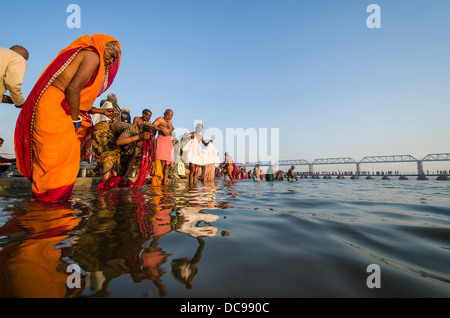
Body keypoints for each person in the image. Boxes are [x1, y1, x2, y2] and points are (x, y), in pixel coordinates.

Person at [15, 34, 121, 203]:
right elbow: (73, 90)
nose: (112, 61)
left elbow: (75, 96)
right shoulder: (93, 56)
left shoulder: (87, 55)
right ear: (102, 47)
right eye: (111, 55)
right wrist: (74, 120)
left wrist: (94, 111)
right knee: (63, 158)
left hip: (53, 103)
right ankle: (51, 205)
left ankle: (44, 201)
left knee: (53, 157)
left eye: (115, 58)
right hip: (54, 106)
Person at [92, 120, 154, 188]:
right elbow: (119, 141)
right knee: (109, 157)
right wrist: (139, 136)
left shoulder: (140, 140)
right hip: (104, 131)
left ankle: (113, 184)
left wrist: (126, 175)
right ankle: (105, 187)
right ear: (142, 130)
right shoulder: (132, 129)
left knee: (118, 161)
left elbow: (133, 156)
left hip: (115, 138)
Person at [152, 109, 174, 185]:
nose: (169, 117)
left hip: (168, 142)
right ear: (164, 114)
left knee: (168, 164)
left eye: (171, 115)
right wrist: (161, 129)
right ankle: (158, 182)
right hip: (161, 140)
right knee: (161, 162)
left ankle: (164, 182)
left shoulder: (170, 122)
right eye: (168, 115)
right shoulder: (160, 119)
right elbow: (152, 125)